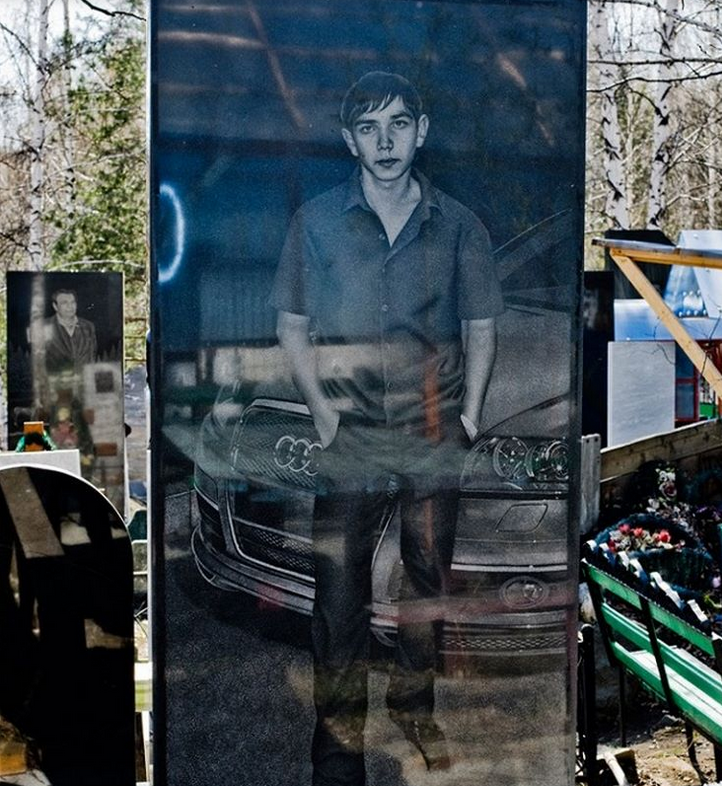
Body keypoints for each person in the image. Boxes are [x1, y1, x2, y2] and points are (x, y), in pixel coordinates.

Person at [270, 71, 504, 786]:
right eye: (369, 127)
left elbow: (482, 328)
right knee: (338, 600)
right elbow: (291, 327)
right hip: (351, 440)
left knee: (426, 584)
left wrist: (468, 419)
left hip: (434, 432)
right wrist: (323, 413)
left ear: (421, 129)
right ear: (349, 140)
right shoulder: (314, 223)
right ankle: (338, 755)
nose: (385, 141)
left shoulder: (460, 224)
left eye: (398, 124)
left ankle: (415, 709)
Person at [43, 289, 98, 375]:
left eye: (73, 302)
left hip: (84, 384)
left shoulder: (89, 326)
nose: (70, 306)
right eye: (65, 303)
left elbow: (92, 356)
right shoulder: (43, 327)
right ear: (55, 306)